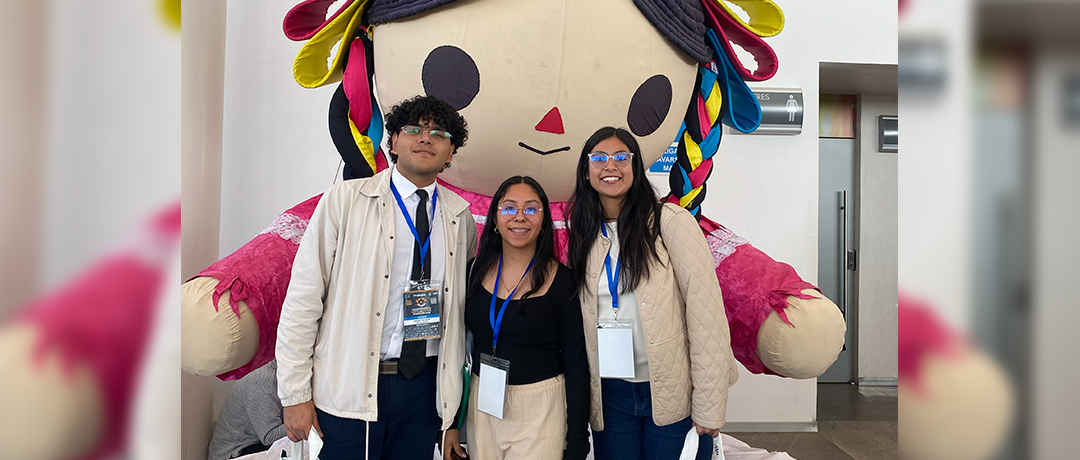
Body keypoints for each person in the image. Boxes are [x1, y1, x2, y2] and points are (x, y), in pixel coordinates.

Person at [275, 95, 477, 460]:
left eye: (438, 133)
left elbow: (456, 315)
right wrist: (295, 395)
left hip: (423, 387)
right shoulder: (345, 200)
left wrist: (451, 414)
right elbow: (304, 298)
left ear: (451, 152)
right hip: (354, 381)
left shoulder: (459, 218)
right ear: (394, 141)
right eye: (413, 129)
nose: (425, 138)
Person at [565, 127, 738, 460]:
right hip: (612, 392)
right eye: (599, 158)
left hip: (673, 391)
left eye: (621, 158)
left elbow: (706, 316)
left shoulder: (669, 222)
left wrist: (709, 404)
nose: (610, 166)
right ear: (586, 172)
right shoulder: (583, 233)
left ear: (636, 166)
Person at [442, 176, 589, 460]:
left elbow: (576, 363)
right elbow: (455, 350)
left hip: (540, 408)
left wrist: (578, 439)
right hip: (482, 402)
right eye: (509, 208)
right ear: (495, 219)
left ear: (544, 221)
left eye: (531, 209)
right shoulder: (472, 272)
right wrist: (450, 421)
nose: (519, 217)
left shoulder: (563, 282)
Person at [207, 360, 286, 460]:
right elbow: (269, 437)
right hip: (233, 453)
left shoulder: (280, 376)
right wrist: (308, 419)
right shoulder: (264, 384)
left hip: (250, 444)